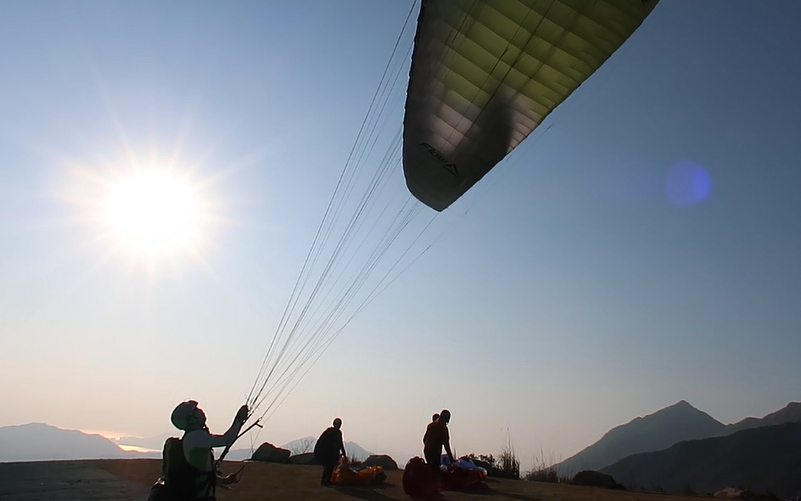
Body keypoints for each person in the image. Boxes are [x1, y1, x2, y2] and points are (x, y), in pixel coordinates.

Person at [161, 400, 249, 500]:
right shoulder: (195, 436)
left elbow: (200, 474)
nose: (201, 411)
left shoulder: (190, 438)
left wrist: (224, 481)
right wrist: (238, 419)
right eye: (196, 410)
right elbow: (227, 439)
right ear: (191, 419)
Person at [314, 418, 347, 486]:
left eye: (339, 424)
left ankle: (327, 480)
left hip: (333, 453)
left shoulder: (338, 433)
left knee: (330, 467)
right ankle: (324, 481)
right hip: (327, 452)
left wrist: (344, 453)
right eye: (337, 424)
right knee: (328, 466)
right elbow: (324, 442)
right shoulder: (329, 432)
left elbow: (340, 443)